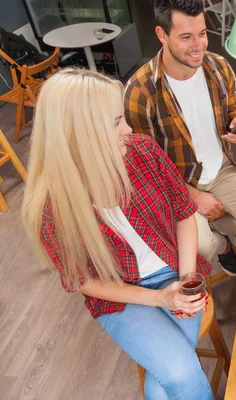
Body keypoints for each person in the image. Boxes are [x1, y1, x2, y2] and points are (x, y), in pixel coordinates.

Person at [22, 69, 214, 400]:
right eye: (115, 122)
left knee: (165, 381)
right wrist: (159, 297)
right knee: (179, 372)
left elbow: (184, 215)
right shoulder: (51, 211)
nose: (128, 129)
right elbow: (83, 280)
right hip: (119, 296)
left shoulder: (143, 151)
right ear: (79, 136)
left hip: (174, 267)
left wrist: (184, 279)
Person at [124, 0, 236, 276]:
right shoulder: (140, 92)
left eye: (202, 33)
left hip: (222, 170)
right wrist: (192, 195)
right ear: (162, 35)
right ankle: (222, 246)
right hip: (178, 182)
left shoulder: (218, 67)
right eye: (186, 37)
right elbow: (146, 168)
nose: (199, 46)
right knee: (203, 247)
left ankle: (214, 226)